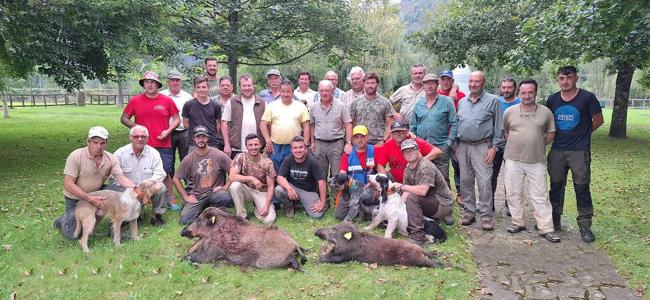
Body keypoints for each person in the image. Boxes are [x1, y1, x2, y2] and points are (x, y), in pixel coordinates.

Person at [546, 65, 603, 243]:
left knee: (582, 188)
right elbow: (549, 123)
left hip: (579, 151)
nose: (565, 81)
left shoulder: (587, 98)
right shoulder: (553, 100)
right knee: (555, 186)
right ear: (558, 79)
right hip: (557, 150)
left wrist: (583, 134)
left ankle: (585, 226)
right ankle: (554, 221)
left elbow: (598, 120)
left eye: (569, 78)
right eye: (562, 78)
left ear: (576, 78)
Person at [503, 79, 560, 243]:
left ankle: (546, 228)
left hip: (536, 160)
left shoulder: (546, 112)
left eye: (530, 92)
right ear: (518, 93)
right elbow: (506, 132)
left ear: (535, 92)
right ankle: (517, 222)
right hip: (513, 159)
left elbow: (550, 134)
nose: (526, 96)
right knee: (514, 192)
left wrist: (535, 144)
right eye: (523, 92)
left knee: (540, 195)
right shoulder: (510, 112)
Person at [53, 127, 135, 240]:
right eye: (95, 142)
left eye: (102, 143)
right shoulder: (75, 156)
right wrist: (90, 199)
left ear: (106, 143)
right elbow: (68, 185)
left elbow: (121, 178)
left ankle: (114, 228)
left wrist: (136, 190)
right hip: (76, 199)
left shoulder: (110, 158)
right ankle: (63, 220)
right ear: (88, 142)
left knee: (121, 190)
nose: (98, 146)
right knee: (74, 236)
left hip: (97, 193)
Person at [120, 71, 180, 214]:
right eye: (147, 82)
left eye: (153, 82)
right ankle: (139, 196)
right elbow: (124, 118)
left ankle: (170, 199)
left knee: (165, 172)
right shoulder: (136, 100)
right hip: (142, 143)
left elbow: (177, 119)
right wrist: (136, 128)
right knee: (139, 171)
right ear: (143, 84)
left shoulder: (166, 100)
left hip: (163, 143)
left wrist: (168, 131)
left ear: (158, 84)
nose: (150, 84)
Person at [457, 71, 504, 231]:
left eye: (477, 81)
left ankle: (486, 217)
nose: (473, 84)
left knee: (484, 182)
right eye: (470, 81)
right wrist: (457, 146)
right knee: (465, 181)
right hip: (463, 146)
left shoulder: (493, 101)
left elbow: (499, 127)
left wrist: (495, 148)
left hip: (483, 146)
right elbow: (459, 124)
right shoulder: (462, 101)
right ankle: (469, 213)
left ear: (483, 83)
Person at [393, 139, 453, 246]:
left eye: (412, 149)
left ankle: (417, 236)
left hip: (442, 204)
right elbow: (405, 192)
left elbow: (422, 191)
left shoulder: (426, 166)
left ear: (418, 150)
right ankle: (421, 224)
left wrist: (401, 186)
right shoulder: (408, 168)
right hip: (430, 202)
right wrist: (398, 211)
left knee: (412, 198)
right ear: (402, 154)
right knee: (407, 197)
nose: (409, 152)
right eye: (406, 151)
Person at [173, 126, 234, 225]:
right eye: (198, 137)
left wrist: (225, 187)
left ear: (207, 138)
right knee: (185, 220)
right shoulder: (189, 158)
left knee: (226, 198)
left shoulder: (218, 154)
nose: (201, 140)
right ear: (194, 139)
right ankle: (207, 210)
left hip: (215, 193)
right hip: (198, 195)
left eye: (203, 137)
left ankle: (213, 210)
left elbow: (234, 170)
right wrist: (186, 197)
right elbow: (176, 178)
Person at [108, 125, 168, 225]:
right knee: (113, 188)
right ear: (130, 138)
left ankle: (156, 216)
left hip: (146, 189)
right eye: (136, 136)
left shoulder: (154, 153)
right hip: (126, 189)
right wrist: (131, 189)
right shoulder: (120, 153)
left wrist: (148, 185)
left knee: (161, 187)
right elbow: (113, 177)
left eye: (143, 136)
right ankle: (125, 215)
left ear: (147, 138)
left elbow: (160, 173)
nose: (140, 139)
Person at [410, 73, 458, 188]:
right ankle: (427, 203)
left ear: (437, 85)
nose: (429, 86)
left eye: (432, 83)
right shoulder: (418, 104)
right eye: (426, 83)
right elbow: (413, 127)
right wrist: (416, 144)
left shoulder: (447, 102)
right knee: (424, 177)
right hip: (423, 148)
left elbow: (454, 123)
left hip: (441, 147)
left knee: (442, 177)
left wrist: (448, 143)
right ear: (423, 86)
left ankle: (445, 203)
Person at [260, 80, 310, 171]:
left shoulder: (301, 106)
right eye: (283, 91)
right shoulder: (272, 106)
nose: (285, 94)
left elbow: (306, 126)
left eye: (288, 91)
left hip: (294, 147)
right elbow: (263, 124)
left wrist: (305, 144)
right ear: (279, 91)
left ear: (293, 92)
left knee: (292, 172)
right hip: (275, 147)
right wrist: (268, 141)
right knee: (275, 172)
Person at [160, 70, 192, 207]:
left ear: (181, 82)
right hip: (167, 133)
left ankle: (189, 188)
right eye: (172, 80)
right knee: (168, 162)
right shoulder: (161, 95)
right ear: (168, 81)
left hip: (183, 131)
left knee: (187, 160)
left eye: (177, 80)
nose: (175, 82)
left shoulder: (187, 96)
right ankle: (169, 193)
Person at [228, 134, 276, 224]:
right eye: (250, 145)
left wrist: (266, 206)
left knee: (269, 220)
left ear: (260, 145)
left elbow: (271, 186)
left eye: (256, 144)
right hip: (247, 190)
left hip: (262, 193)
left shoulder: (267, 162)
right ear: (246, 146)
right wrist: (251, 178)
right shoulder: (240, 157)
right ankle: (242, 216)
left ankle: (258, 208)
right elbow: (232, 176)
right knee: (235, 185)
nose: (253, 147)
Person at [275, 136, 327, 218]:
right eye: (295, 148)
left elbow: (322, 182)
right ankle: (289, 206)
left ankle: (301, 203)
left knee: (317, 215)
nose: (298, 150)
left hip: (308, 191)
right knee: (278, 190)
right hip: (293, 188)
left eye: (301, 147)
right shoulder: (288, 159)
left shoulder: (313, 161)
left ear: (306, 149)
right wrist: (288, 188)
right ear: (291, 150)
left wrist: (322, 202)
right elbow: (280, 177)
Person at [376, 120, 442, 184]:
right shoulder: (387, 145)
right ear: (391, 134)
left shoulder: (414, 141)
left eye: (401, 131)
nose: (398, 134)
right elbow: (380, 165)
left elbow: (437, 151)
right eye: (395, 132)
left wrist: (420, 162)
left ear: (407, 131)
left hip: (415, 180)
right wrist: (385, 181)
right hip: (396, 180)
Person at [309, 80, 353, 177]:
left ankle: (337, 192)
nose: (324, 93)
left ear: (332, 91)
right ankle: (323, 193)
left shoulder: (341, 106)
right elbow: (312, 125)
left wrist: (348, 143)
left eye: (327, 91)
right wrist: (312, 142)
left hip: (336, 144)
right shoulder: (313, 107)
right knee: (320, 174)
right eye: (322, 91)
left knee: (337, 175)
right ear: (318, 91)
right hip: (319, 144)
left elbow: (348, 124)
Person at [492, 77, 522, 213]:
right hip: (496, 144)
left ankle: (510, 204)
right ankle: (489, 202)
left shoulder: (521, 103)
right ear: (500, 88)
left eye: (509, 87)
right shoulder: (495, 102)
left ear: (515, 89)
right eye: (504, 87)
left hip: (514, 144)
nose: (506, 90)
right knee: (491, 174)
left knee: (512, 176)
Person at [221, 74, 266, 158]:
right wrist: (227, 145)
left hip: (257, 148)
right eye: (244, 85)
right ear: (240, 87)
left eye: (249, 85)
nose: (247, 88)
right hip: (237, 149)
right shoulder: (232, 102)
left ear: (253, 86)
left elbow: (267, 125)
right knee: (236, 171)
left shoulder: (263, 103)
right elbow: (224, 124)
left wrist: (267, 142)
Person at [438, 70, 466, 205]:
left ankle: (461, 192)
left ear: (453, 81)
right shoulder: (436, 95)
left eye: (448, 79)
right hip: (440, 136)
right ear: (439, 81)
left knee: (458, 164)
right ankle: (444, 193)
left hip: (456, 136)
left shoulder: (461, 95)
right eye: (442, 79)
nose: (445, 82)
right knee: (441, 165)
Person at [349, 72, 396, 145]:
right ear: (364, 84)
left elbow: (391, 124)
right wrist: (351, 140)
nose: (370, 86)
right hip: (360, 142)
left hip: (378, 143)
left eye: (373, 83)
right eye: (367, 83)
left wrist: (384, 140)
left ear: (377, 84)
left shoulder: (385, 102)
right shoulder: (355, 102)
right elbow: (349, 123)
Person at [182, 76, 224, 151]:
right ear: (195, 89)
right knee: (193, 162)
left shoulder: (216, 106)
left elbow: (218, 126)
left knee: (213, 162)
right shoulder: (188, 105)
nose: (201, 89)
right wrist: (198, 131)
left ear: (208, 88)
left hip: (212, 142)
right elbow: (186, 124)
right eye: (198, 87)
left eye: (204, 87)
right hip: (194, 143)